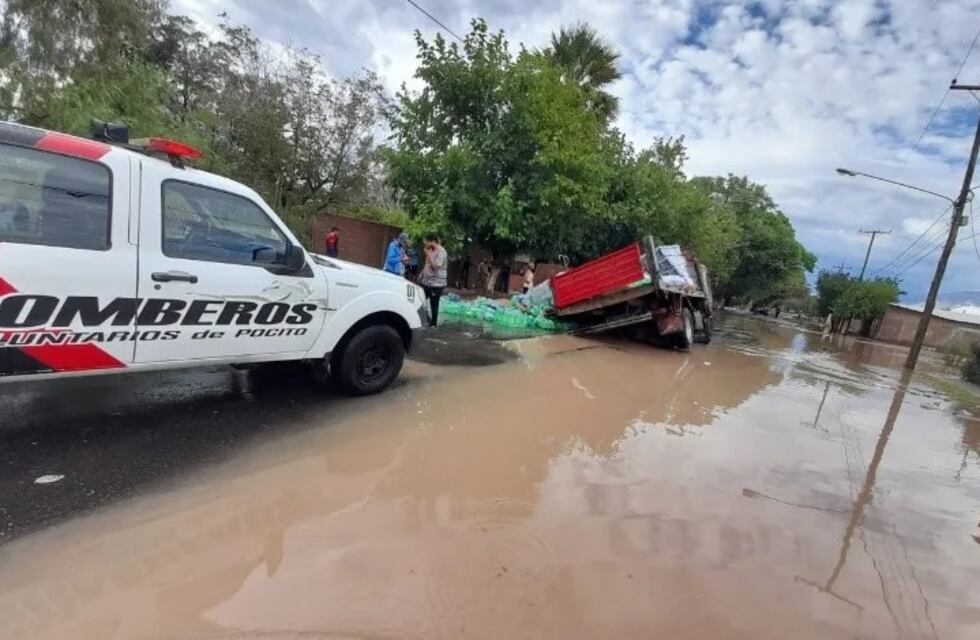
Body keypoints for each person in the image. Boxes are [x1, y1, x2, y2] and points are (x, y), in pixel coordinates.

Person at [420, 234, 448, 327]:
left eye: (426, 242)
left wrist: (428, 254)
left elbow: (435, 267)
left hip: (437, 283)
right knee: (420, 300)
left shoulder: (442, 252)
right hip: (427, 281)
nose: (425, 244)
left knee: (434, 303)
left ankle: (433, 324)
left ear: (432, 241)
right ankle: (426, 319)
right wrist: (422, 274)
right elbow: (427, 264)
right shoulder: (431, 250)